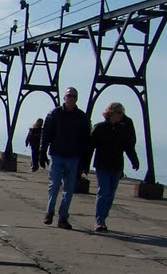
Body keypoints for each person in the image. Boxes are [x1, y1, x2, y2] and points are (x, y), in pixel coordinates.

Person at [39, 87, 91, 230]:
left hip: (73, 157)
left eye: (74, 96)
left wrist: (85, 161)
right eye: (69, 96)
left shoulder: (81, 117)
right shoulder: (55, 114)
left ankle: (63, 217)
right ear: (64, 98)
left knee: (69, 188)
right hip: (57, 154)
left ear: (77, 99)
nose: (71, 98)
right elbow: (47, 134)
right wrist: (42, 152)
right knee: (54, 185)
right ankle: (49, 212)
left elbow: (86, 140)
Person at [88, 101, 139, 232]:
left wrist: (134, 160)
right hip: (102, 165)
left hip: (116, 166)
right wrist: (84, 164)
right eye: (119, 113)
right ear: (111, 113)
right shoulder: (99, 128)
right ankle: (99, 220)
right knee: (103, 191)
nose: (121, 116)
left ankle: (103, 218)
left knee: (110, 194)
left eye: (122, 113)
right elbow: (90, 147)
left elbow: (128, 147)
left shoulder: (123, 129)